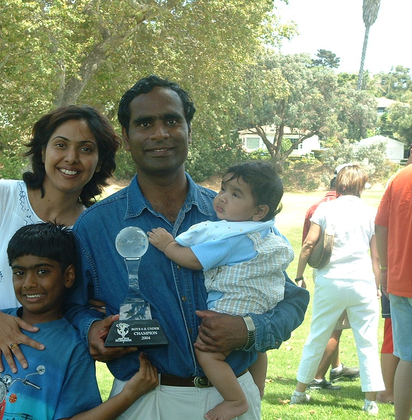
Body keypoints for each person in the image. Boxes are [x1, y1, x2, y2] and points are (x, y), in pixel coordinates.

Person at [64, 75, 310, 420]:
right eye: (145, 123)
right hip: (145, 397)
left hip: (231, 398)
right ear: (126, 136)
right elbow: (73, 305)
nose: (160, 133)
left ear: (189, 130)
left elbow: (292, 300)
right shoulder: (97, 225)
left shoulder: (236, 216)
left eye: (171, 120)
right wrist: (92, 329)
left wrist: (249, 330)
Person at [0, 106, 121, 419]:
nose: (71, 158)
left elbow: (93, 308)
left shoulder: (95, 232)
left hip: (47, 394)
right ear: (42, 150)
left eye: (86, 149)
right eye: (61, 145)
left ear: (100, 162)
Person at [0, 223, 158, 420]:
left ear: (68, 276)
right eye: (19, 273)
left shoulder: (74, 346)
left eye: (42, 271)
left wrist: (128, 395)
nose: (29, 283)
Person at [147, 161, 293, 420]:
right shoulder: (265, 232)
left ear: (259, 211)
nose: (222, 198)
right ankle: (255, 390)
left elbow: (194, 259)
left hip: (233, 303)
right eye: (223, 188)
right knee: (256, 350)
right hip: (260, 303)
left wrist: (168, 245)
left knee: (208, 352)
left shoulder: (230, 238)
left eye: (235, 194)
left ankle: (236, 399)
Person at [290, 164, 384, 416]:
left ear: (340, 184)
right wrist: (377, 286)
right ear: (361, 185)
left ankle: (299, 392)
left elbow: (309, 244)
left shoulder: (326, 208)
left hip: (330, 281)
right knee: (367, 342)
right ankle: (371, 402)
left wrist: (299, 274)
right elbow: (376, 257)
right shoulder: (370, 212)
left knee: (317, 335)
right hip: (362, 280)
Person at [297, 171, 359, 391]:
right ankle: (317, 376)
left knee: (332, 324)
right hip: (340, 273)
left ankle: (336, 367)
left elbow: (307, 242)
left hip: (321, 270)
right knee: (334, 327)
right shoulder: (337, 208)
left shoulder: (317, 205)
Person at [375, 161, 412, 420]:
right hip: (398, 279)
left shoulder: (399, 177)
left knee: (407, 357)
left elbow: (381, 226)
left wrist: (385, 268)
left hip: (399, 279)